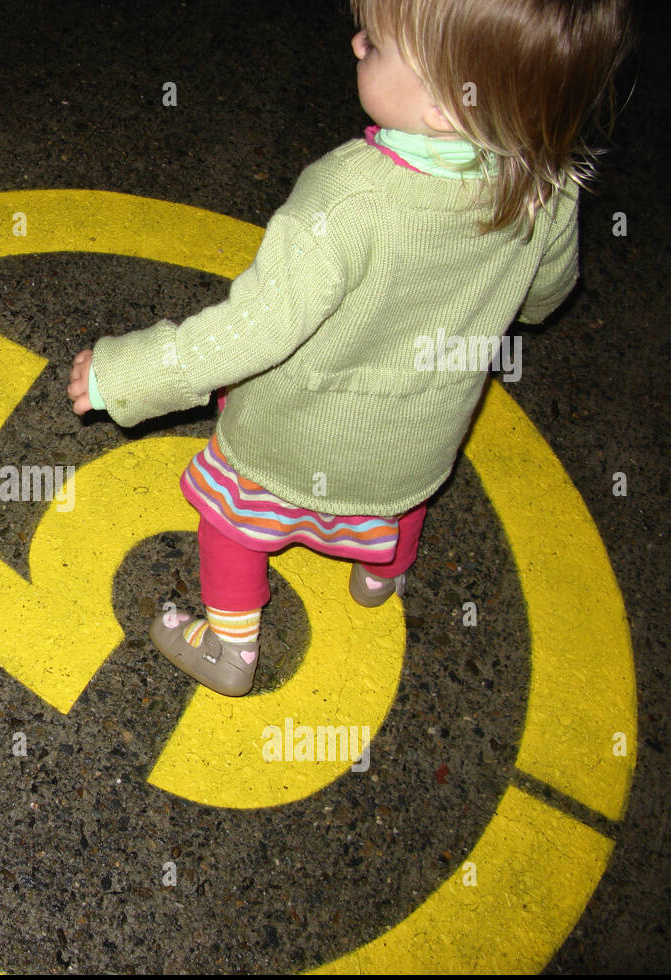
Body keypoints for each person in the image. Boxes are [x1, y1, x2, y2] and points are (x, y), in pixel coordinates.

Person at [67, 0, 634, 696]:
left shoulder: (347, 196)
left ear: (446, 108)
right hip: (417, 441)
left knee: (232, 520)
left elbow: (253, 329)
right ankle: (379, 573)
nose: (358, 40)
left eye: (383, 43)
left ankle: (231, 648)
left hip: (291, 438)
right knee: (397, 501)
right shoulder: (547, 188)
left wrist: (122, 374)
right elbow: (546, 297)